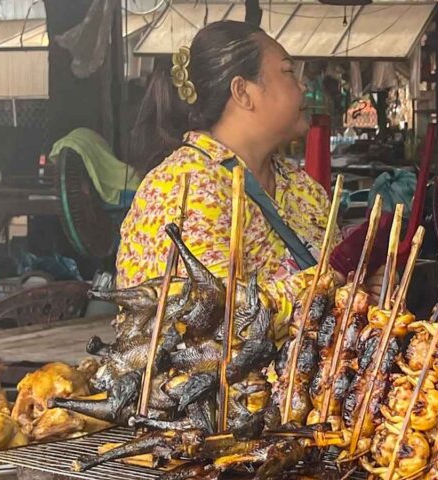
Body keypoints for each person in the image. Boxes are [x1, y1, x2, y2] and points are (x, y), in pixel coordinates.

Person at [116, 21, 338, 337]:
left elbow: (344, 280)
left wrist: (364, 281)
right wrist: (329, 281)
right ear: (243, 92)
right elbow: (207, 322)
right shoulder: (183, 188)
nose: (302, 86)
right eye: (288, 72)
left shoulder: (301, 186)